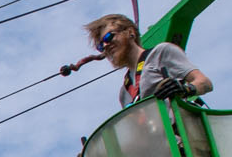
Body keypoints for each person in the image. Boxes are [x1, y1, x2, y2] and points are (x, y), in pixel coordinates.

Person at [85, 13, 213, 106]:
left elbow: (205, 83)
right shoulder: (124, 92)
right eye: (101, 45)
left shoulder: (160, 53)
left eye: (108, 37)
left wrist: (185, 89)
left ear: (130, 32)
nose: (106, 45)